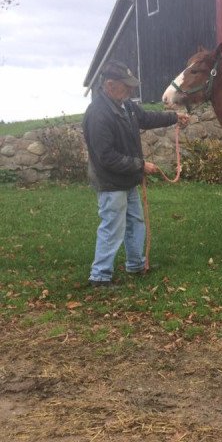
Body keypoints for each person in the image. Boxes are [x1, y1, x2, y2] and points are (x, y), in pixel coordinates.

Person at [83, 60, 189, 288]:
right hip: (111, 183)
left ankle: (136, 264)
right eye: (126, 86)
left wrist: (174, 117)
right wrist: (140, 165)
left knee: (135, 221)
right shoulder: (98, 114)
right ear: (110, 85)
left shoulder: (125, 105)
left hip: (127, 179)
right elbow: (107, 157)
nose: (131, 90)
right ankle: (100, 276)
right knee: (112, 227)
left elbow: (146, 119)